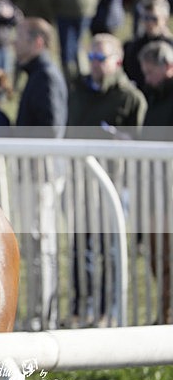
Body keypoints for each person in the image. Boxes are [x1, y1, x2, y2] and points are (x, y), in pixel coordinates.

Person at [67, 33, 146, 324]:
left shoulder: (130, 97)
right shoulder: (78, 90)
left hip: (114, 183)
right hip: (80, 181)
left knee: (110, 250)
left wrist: (122, 139)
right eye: (91, 58)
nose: (95, 65)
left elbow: (142, 142)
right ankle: (79, 309)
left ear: (117, 61)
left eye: (101, 59)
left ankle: (107, 312)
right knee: (79, 249)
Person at [13, 17, 67, 330]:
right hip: (33, 174)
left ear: (37, 42)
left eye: (19, 37)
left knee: (41, 245)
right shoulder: (37, 74)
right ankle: (37, 313)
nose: (13, 43)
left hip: (41, 176)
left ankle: (43, 317)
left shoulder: (46, 76)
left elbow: (52, 130)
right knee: (34, 245)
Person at [138, 40, 173, 323]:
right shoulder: (155, 96)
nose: (147, 78)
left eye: (151, 72)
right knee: (156, 257)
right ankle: (164, 313)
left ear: (167, 66)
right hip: (154, 189)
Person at [123, 0, 173, 93]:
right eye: (145, 18)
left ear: (165, 19)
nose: (149, 23)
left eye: (154, 19)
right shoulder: (133, 46)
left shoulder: (170, 46)